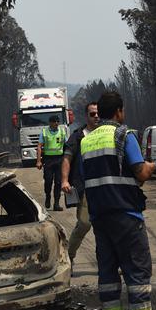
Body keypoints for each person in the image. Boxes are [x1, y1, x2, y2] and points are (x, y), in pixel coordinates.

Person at [80, 91, 156, 310]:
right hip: (125, 214)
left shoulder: (86, 141)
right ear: (119, 111)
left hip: (100, 216)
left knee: (108, 274)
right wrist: (151, 167)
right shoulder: (124, 134)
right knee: (137, 271)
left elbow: (86, 176)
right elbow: (140, 173)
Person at [61, 101, 99, 263]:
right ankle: (68, 256)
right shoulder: (77, 136)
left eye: (98, 113)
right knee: (84, 224)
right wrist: (64, 180)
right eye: (92, 114)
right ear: (86, 116)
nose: (96, 116)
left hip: (104, 188)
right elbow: (67, 158)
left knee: (105, 227)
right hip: (84, 188)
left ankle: (108, 260)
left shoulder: (108, 134)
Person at [36, 114, 66, 210]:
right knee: (48, 181)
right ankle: (48, 196)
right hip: (48, 160)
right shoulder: (44, 132)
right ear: (50, 123)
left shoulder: (62, 131)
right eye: (54, 121)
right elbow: (39, 147)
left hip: (59, 159)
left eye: (58, 121)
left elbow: (66, 145)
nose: (56, 123)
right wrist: (39, 161)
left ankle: (56, 204)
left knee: (58, 182)